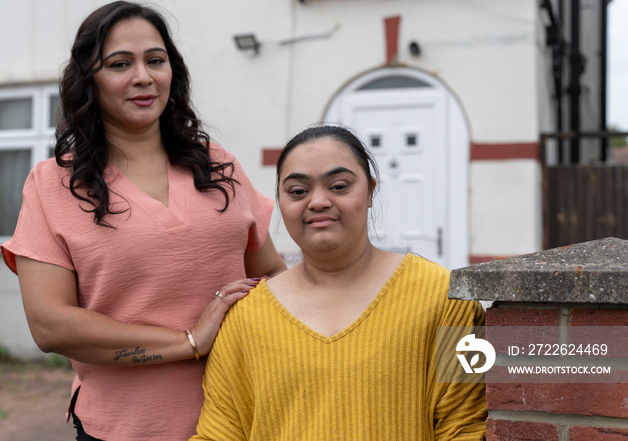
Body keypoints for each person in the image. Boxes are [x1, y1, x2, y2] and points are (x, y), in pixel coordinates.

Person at [0, 0, 286, 440]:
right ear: (88, 79)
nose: (143, 77)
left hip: (239, 420)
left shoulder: (217, 165)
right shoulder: (53, 184)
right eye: (120, 64)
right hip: (123, 428)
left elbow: (270, 277)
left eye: (156, 60)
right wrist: (189, 341)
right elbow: (50, 324)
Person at [192, 125, 486, 440]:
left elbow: (466, 426)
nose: (318, 201)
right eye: (297, 191)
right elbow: (219, 434)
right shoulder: (243, 319)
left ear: (371, 191)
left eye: (339, 186)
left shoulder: (446, 299)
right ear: (279, 201)